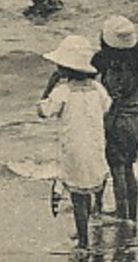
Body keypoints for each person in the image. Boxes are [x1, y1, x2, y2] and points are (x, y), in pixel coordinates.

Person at [38, 34, 110, 249]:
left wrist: (48, 87)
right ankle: (96, 213)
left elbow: (42, 111)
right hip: (95, 144)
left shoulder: (63, 91)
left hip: (73, 148)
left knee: (78, 196)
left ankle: (84, 243)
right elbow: (107, 106)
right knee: (93, 179)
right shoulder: (98, 89)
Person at [93, 16, 138, 225]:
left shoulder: (113, 67)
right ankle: (131, 215)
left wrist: (106, 122)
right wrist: (136, 110)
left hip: (117, 121)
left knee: (116, 169)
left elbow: (113, 99)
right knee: (128, 169)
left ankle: (121, 214)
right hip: (135, 120)